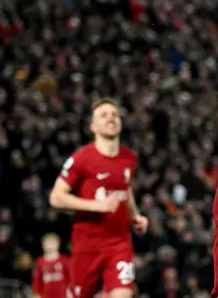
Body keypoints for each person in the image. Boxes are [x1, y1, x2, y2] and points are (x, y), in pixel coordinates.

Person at [49, 98, 149, 298]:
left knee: (123, 294)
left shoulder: (129, 158)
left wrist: (135, 215)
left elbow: (124, 188)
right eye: (104, 115)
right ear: (93, 126)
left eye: (114, 114)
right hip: (87, 244)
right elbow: (56, 197)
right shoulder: (81, 159)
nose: (111, 118)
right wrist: (96, 206)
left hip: (119, 243)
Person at [31, 233, 72, 298]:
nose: (50, 245)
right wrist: (36, 294)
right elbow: (36, 281)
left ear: (58, 244)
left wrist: (70, 293)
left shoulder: (65, 260)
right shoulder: (39, 262)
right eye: (47, 242)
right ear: (43, 244)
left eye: (52, 242)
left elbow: (71, 279)